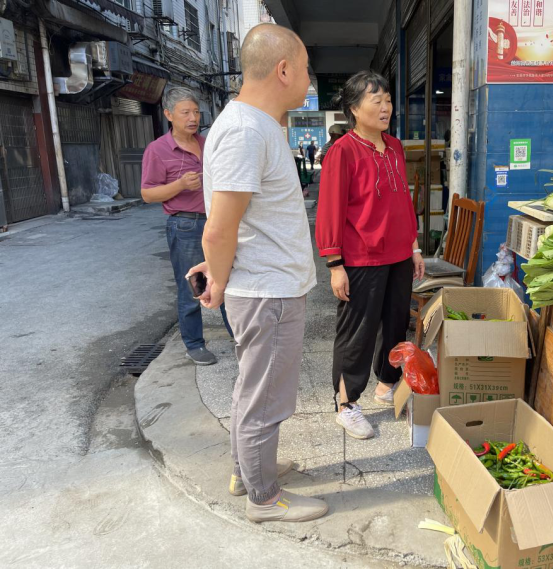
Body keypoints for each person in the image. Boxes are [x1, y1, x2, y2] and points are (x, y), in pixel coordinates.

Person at [189, 23, 327, 523]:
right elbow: (218, 229)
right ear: (283, 70)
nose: (309, 80)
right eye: (306, 69)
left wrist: (220, 268)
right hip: (267, 291)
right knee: (265, 398)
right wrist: (219, 278)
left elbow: (236, 222)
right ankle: (263, 497)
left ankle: (245, 472)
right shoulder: (247, 130)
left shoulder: (257, 125)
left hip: (271, 285)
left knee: (256, 390)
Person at [316, 71, 424, 440]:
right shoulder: (342, 151)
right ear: (353, 108)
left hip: (398, 255)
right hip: (361, 258)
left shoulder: (394, 146)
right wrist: (335, 264)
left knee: (395, 323)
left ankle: (386, 384)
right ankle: (346, 405)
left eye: (388, 100)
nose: (385, 107)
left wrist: (413, 246)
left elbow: (403, 201)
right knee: (357, 333)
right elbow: (330, 210)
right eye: (376, 101)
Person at [140, 87, 233, 366]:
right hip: (185, 224)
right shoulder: (158, 150)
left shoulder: (208, 143)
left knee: (227, 281)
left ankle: (239, 336)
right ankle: (194, 344)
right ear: (169, 114)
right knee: (194, 285)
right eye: (185, 113)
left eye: (195, 112)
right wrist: (179, 184)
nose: (193, 118)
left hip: (218, 221)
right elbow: (147, 194)